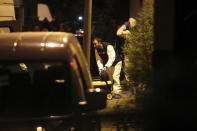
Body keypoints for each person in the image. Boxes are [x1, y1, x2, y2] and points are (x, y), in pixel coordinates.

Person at [116, 17, 137, 93]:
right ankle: (133, 90)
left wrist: (124, 26)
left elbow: (118, 33)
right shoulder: (136, 33)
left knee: (128, 72)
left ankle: (132, 90)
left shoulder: (128, 33)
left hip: (130, 55)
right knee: (130, 72)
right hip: (133, 54)